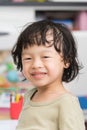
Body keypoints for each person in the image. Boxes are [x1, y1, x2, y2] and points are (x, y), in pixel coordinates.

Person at [11, 20, 85, 130]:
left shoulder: (66, 103)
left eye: (45, 57)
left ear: (66, 61)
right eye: (28, 58)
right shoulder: (29, 96)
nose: (36, 65)